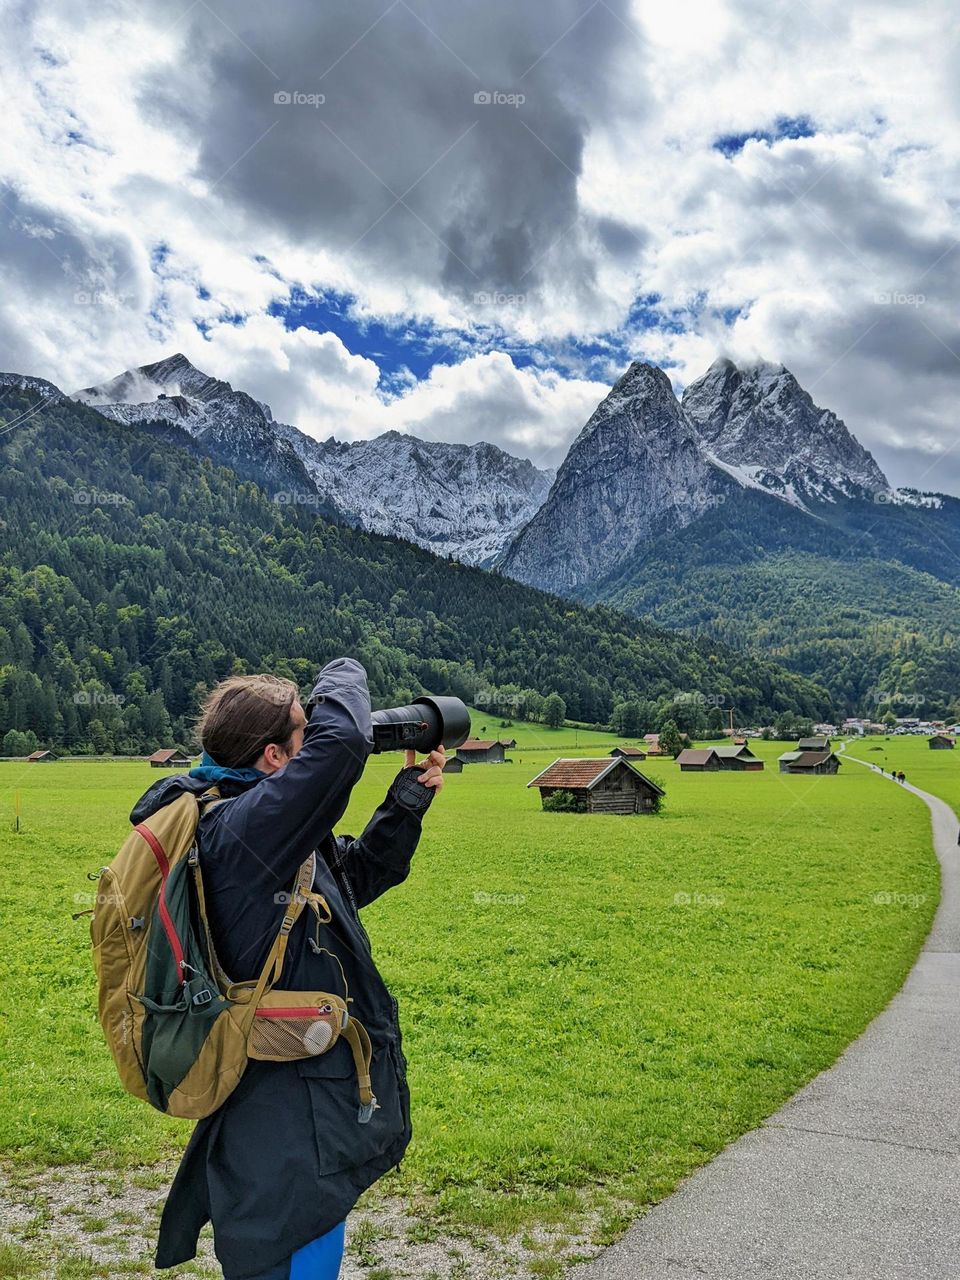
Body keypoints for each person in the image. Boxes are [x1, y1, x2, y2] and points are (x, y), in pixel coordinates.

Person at [137, 658, 445, 1280]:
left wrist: (406, 802)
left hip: (300, 1088)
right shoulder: (239, 828)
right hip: (279, 1102)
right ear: (275, 756)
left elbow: (348, 882)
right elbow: (344, 745)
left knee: (307, 1228)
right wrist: (344, 671)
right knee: (286, 1240)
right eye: (304, 729)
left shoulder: (260, 822)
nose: (314, 743)